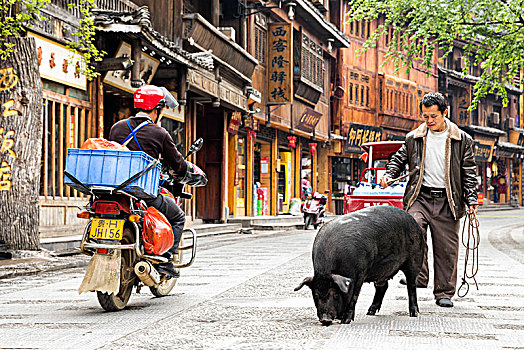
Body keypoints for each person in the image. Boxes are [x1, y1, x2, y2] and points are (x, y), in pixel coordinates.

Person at [379, 92, 478, 308]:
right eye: (425, 116)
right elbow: (399, 158)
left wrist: (471, 200)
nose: (429, 121)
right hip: (420, 196)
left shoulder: (462, 140)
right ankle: (419, 276)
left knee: (446, 250)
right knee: (414, 230)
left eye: (433, 116)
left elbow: (469, 171)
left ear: (445, 113)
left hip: (448, 200)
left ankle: (444, 292)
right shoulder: (414, 137)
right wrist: (389, 174)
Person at [109, 85, 206, 277]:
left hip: (115, 190)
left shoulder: (117, 128)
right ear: (157, 108)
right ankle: (166, 261)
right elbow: (177, 164)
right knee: (178, 217)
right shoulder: (159, 133)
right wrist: (186, 170)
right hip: (143, 192)